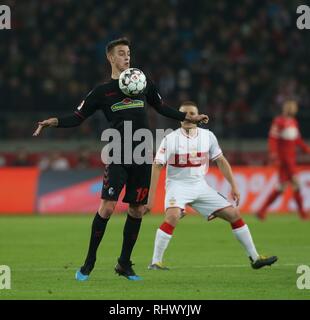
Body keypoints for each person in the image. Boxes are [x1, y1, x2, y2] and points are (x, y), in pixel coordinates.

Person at [33, 38, 209, 281]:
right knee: (107, 207)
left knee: (137, 210)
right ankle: (89, 262)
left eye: (128, 53)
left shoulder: (143, 83)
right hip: (118, 153)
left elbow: (161, 107)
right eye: (121, 53)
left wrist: (189, 118)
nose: (127, 57)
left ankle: (124, 264)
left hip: (142, 154)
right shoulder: (102, 92)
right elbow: (77, 116)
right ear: (110, 58)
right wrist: (54, 122)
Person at [145, 101, 277, 270]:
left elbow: (221, 161)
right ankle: (155, 262)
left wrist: (234, 186)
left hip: (200, 186)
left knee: (234, 214)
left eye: (192, 113)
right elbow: (157, 166)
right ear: (179, 118)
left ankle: (255, 258)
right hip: (177, 186)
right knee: (172, 217)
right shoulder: (170, 139)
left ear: (198, 117)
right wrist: (150, 198)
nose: (188, 116)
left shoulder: (208, 136)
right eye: (184, 114)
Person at [256, 100, 310, 220]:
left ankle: (261, 211)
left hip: (291, 159)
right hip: (284, 159)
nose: (293, 109)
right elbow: (272, 138)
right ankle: (303, 214)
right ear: (286, 108)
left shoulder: (294, 122)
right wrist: (274, 154)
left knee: (282, 187)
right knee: (295, 183)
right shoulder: (279, 121)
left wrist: (306, 149)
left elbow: (297, 140)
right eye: (291, 107)